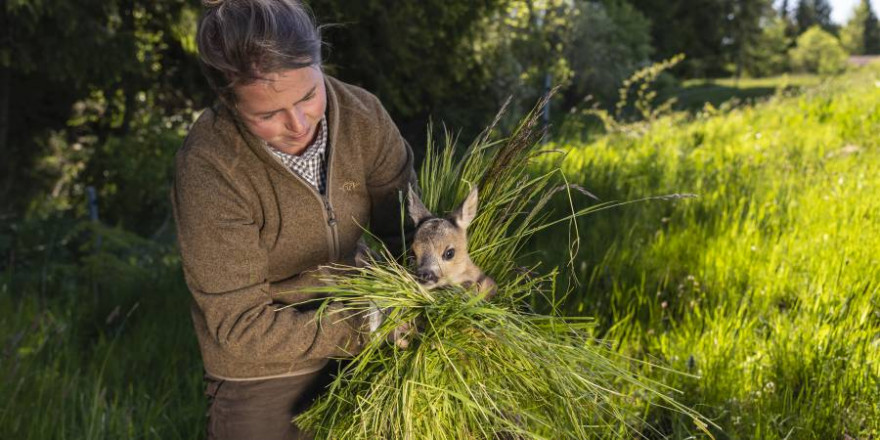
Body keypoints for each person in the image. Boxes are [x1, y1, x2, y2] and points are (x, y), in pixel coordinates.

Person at [171, 1, 417, 438]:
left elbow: (406, 232)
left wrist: (450, 279)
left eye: (308, 95)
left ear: (319, 61)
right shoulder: (210, 167)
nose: (298, 123)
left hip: (365, 334)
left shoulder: (364, 117)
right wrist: (364, 324)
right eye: (267, 115)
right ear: (229, 102)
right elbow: (239, 327)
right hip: (264, 367)